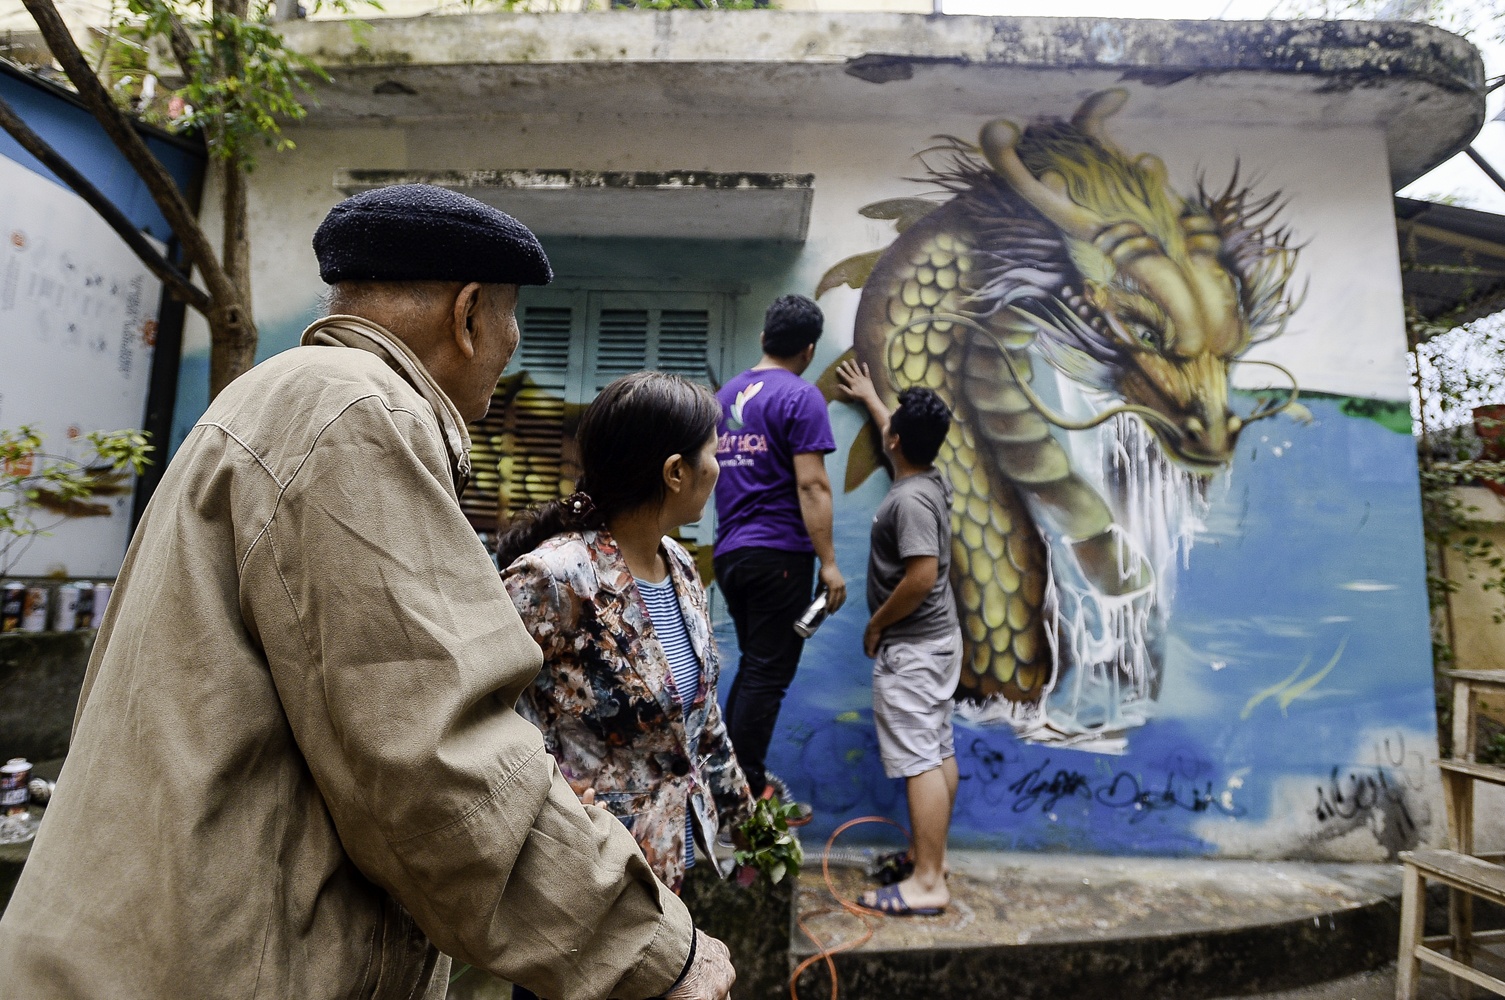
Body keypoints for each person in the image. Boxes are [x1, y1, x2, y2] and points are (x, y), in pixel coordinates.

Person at [0, 185, 733, 1000]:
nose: (512, 345)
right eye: (509, 319)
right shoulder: (353, 411)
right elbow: (434, 763)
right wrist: (652, 953)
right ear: (468, 315)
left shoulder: (289, 395)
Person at [497, 372, 756, 901]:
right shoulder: (554, 577)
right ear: (675, 472)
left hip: (665, 869)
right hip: (584, 877)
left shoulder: (680, 567)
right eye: (712, 452)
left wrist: (745, 819)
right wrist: (550, 794)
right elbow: (477, 706)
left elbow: (700, 724)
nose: (719, 466)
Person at [712, 294, 846, 820]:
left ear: (766, 337)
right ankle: (741, 791)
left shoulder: (727, 395)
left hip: (732, 557)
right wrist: (829, 564)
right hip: (780, 556)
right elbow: (812, 484)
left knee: (754, 668)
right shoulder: (800, 396)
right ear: (808, 349)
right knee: (769, 674)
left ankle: (737, 776)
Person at [836, 360, 961, 917]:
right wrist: (872, 398)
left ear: (895, 440)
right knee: (936, 750)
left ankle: (928, 883)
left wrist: (877, 623)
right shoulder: (928, 478)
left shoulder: (909, 501)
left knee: (919, 760)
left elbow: (922, 576)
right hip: (937, 643)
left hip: (912, 645)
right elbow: (900, 442)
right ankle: (927, 857)